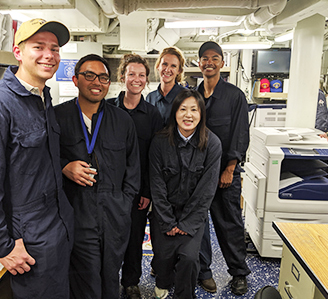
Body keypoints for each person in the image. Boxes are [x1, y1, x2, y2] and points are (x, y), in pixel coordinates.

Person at [0, 18, 74, 299]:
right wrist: (2, 246)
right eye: (38, 46)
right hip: (28, 239)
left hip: (58, 226)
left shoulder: (43, 98)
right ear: (18, 52)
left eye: (55, 48)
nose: (49, 55)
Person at [54, 54, 140, 299]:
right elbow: (42, 160)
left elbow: (133, 169)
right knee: (85, 279)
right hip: (77, 214)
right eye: (89, 75)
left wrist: (124, 203)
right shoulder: (58, 117)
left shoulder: (122, 120)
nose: (97, 82)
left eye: (103, 77)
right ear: (75, 80)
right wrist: (64, 166)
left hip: (114, 216)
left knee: (110, 277)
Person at [149, 89, 221, 299]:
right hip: (164, 213)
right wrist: (168, 222)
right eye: (183, 109)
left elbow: (206, 191)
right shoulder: (160, 142)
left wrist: (186, 225)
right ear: (174, 113)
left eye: (194, 110)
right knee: (163, 257)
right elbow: (157, 184)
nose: (188, 115)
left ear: (201, 114)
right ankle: (163, 280)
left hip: (193, 215)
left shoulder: (212, 144)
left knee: (189, 259)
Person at [196, 41, 251, 295]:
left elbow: (240, 135)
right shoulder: (195, 95)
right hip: (197, 173)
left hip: (224, 174)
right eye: (205, 58)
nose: (209, 62)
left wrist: (230, 168)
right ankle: (202, 270)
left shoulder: (234, 96)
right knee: (199, 225)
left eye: (214, 58)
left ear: (221, 63)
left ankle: (239, 273)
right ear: (199, 63)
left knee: (228, 224)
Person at [107, 54, 163, 299]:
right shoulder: (107, 109)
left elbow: (155, 158)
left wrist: (147, 192)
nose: (136, 79)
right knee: (108, 237)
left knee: (134, 237)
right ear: (122, 77)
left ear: (147, 79)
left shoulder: (152, 115)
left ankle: (131, 282)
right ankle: (107, 279)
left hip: (138, 190)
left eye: (142, 75)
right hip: (109, 189)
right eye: (131, 74)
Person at [146, 46, 186, 125]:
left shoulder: (186, 96)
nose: (167, 69)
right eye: (165, 64)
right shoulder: (150, 98)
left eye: (173, 66)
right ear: (158, 66)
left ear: (179, 70)